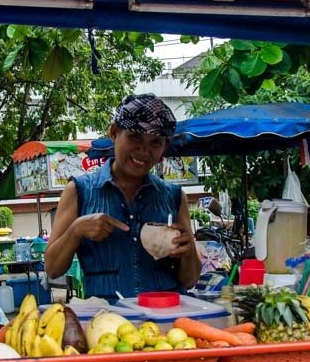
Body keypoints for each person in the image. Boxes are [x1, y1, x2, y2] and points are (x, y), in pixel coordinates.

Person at [45, 94, 200, 300]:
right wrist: (76, 230)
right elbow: (52, 269)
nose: (144, 150)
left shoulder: (173, 196)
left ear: (164, 147)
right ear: (114, 132)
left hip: (165, 320)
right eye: (135, 137)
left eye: (156, 142)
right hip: (106, 322)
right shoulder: (79, 191)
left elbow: (189, 281)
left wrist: (188, 251)